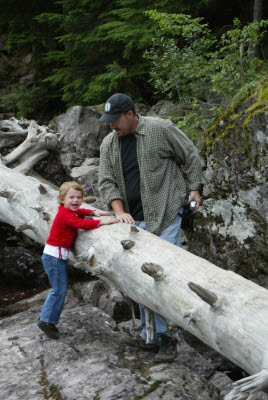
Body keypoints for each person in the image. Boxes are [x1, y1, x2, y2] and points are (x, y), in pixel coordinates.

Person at [98, 93, 203, 363]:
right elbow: (106, 182)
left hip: (165, 214)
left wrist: (195, 189)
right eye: (108, 121)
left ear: (131, 113)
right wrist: (120, 213)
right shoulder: (109, 144)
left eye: (115, 120)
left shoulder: (161, 129)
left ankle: (169, 338)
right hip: (132, 222)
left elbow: (190, 155)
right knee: (141, 279)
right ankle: (149, 337)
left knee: (163, 277)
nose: (111, 126)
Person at [37, 181, 118, 339]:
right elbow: (79, 223)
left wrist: (93, 212)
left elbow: (79, 213)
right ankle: (46, 321)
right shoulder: (64, 214)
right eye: (71, 197)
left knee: (59, 289)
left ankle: (48, 319)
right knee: (58, 290)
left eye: (79, 197)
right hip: (54, 257)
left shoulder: (68, 211)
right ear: (62, 199)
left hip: (56, 256)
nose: (75, 200)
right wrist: (101, 222)